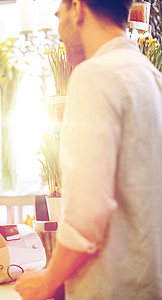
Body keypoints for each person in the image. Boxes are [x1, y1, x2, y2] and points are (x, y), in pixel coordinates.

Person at [15, 0, 162, 299]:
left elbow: (88, 213)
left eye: (59, 16)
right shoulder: (151, 76)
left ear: (78, 8)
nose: (58, 30)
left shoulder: (94, 75)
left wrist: (47, 282)